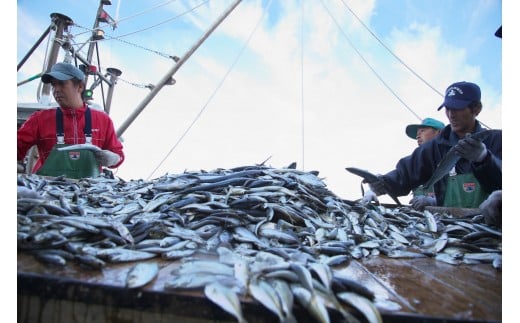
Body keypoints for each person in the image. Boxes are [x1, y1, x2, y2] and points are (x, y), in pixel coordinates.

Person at [368, 81, 501, 210]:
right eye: (448, 108)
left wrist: (484, 159)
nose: (451, 115)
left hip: (492, 225)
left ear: (477, 109)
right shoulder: (436, 146)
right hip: (449, 225)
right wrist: (382, 184)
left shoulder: (497, 140)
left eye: (457, 108)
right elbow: (407, 172)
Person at [17, 62, 124, 179]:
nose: (56, 90)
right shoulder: (39, 119)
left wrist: (113, 158)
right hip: (47, 192)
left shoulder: (103, 120)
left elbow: (119, 155)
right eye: (53, 85)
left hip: (89, 193)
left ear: (80, 87)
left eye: (62, 84)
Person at [405, 118, 445, 210]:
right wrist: (375, 188)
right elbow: (398, 179)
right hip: (420, 221)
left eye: (422, 131)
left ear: (439, 133)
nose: (418, 136)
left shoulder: (454, 158)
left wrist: (435, 201)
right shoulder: (416, 163)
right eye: (417, 133)